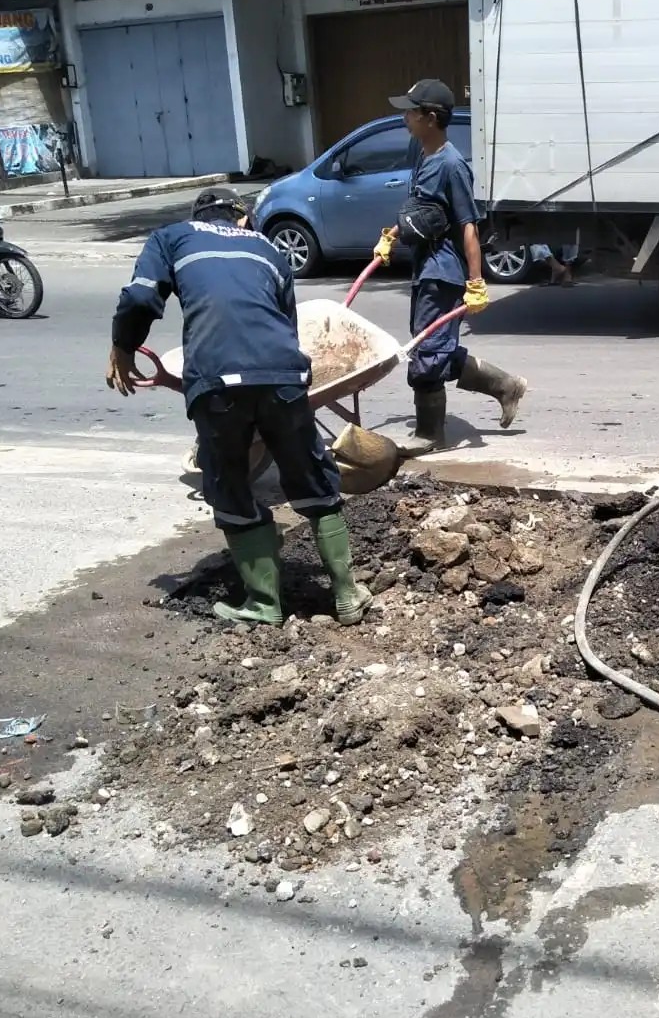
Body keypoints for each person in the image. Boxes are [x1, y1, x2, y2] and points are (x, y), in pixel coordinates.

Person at [105, 187, 370, 627]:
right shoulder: (268, 246)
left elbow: (138, 298)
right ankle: (346, 594)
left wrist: (123, 346)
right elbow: (286, 320)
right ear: (243, 219)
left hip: (216, 380)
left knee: (228, 481)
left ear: (199, 216)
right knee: (311, 475)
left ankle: (264, 603)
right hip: (281, 374)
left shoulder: (171, 236)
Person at [373, 78, 528, 451]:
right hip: (424, 267)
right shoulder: (421, 152)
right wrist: (392, 235)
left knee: (426, 354)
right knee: (431, 347)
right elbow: (423, 211)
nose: (404, 116)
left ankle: (430, 436)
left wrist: (476, 282)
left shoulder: (452, 165)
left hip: (443, 272)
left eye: (411, 111)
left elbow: (468, 226)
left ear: (430, 117)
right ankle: (504, 384)